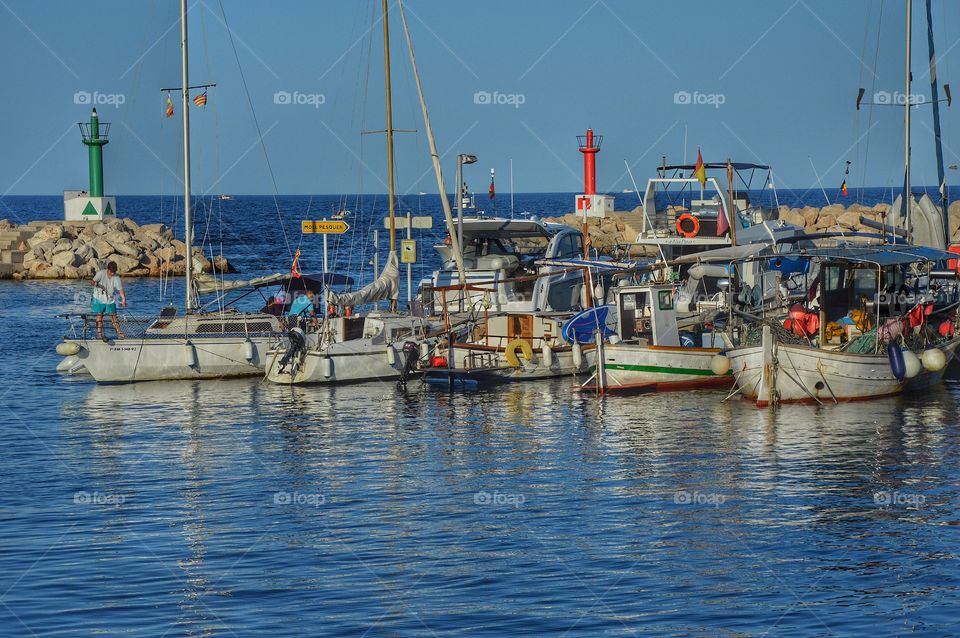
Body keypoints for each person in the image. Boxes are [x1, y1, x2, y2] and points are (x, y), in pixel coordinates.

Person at [91, 261, 126, 341]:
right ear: (108, 270)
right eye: (111, 272)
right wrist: (97, 284)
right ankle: (99, 334)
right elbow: (92, 282)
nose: (112, 274)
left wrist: (123, 300)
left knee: (114, 316)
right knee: (100, 315)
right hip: (98, 297)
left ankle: (119, 333)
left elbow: (120, 290)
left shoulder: (116, 277)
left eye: (114, 272)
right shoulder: (101, 273)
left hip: (110, 299)